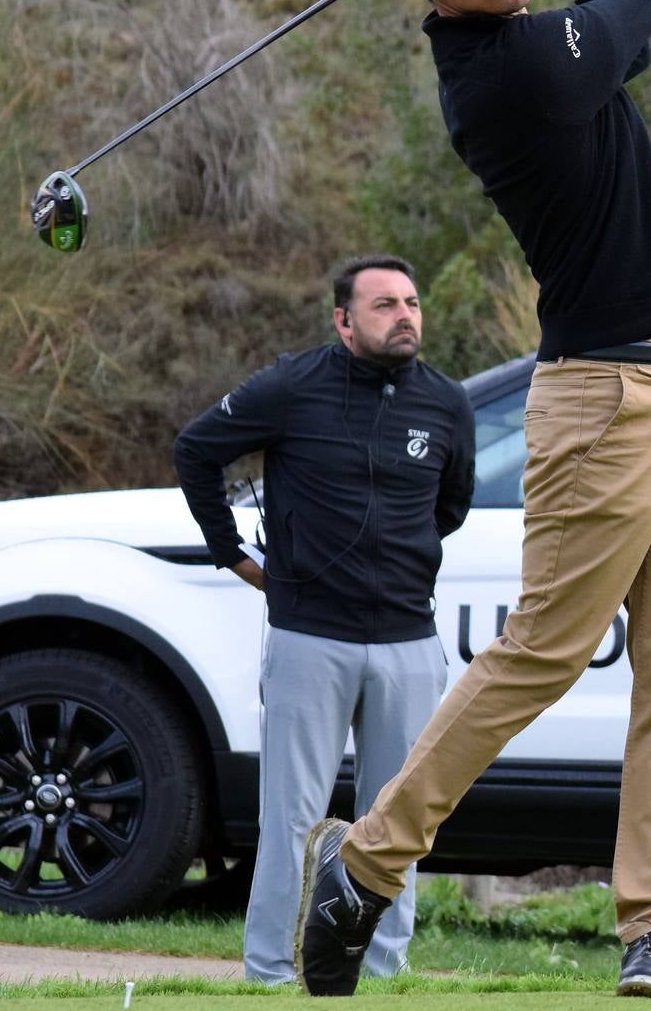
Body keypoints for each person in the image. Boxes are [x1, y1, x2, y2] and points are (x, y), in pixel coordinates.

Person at [295, 0, 651, 999]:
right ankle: (367, 862)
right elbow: (637, 0)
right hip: (605, 399)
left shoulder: (536, 37)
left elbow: (620, 20)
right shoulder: (505, 76)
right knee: (541, 653)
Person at [174, 253, 475, 985]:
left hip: (408, 643)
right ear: (344, 322)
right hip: (310, 638)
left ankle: (380, 975)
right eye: (384, 306)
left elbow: (450, 508)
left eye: (411, 302)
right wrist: (238, 559)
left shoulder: (446, 403)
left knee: (396, 822)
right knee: (292, 822)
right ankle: (272, 975)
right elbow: (196, 451)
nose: (405, 315)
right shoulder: (291, 386)